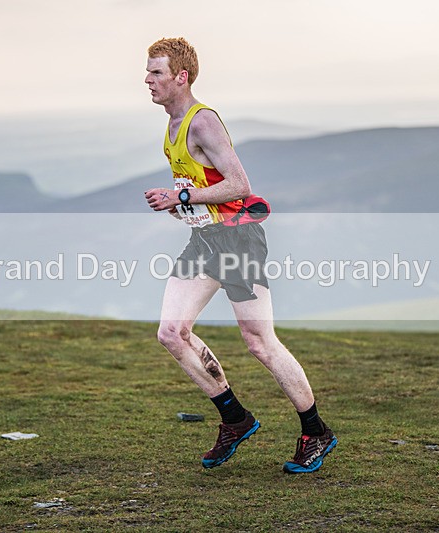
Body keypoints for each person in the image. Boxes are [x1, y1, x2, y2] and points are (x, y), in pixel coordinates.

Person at [143, 37, 337, 474]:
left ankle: (316, 431)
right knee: (171, 332)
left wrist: (184, 195)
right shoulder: (171, 126)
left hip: (237, 243)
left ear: (181, 77)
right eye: (148, 71)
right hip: (204, 242)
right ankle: (235, 418)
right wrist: (182, 205)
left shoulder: (201, 122)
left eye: (156, 72)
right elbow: (203, 191)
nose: (147, 80)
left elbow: (239, 185)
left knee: (259, 343)